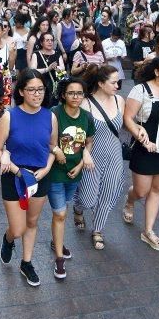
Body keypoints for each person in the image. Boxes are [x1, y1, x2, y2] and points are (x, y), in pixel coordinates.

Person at [0, 69, 57, 287]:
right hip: (15, 175)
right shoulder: (10, 116)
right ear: (21, 91)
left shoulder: (50, 116)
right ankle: (8, 239)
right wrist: (13, 166)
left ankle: (26, 262)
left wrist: (47, 168)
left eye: (40, 89)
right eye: (31, 90)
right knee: (18, 228)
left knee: (32, 221)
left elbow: (52, 148)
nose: (37, 94)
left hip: (40, 175)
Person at [123, 55, 159, 251]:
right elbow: (128, 118)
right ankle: (130, 200)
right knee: (141, 191)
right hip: (145, 146)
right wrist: (141, 136)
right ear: (156, 71)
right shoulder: (140, 90)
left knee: (157, 189)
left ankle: (148, 231)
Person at [73, 64, 126, 250]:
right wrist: (84, 153)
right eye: (114, 83)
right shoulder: (85, 103)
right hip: (91, 155)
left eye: (118, 82)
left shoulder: (120, 100)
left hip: (114, 154)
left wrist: (140, 129)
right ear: (101, 83)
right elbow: (77, 134)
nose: (118, 86)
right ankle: (78, 207)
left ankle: (98, 230)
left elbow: (126, 125)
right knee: (88, 198)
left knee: (109, 191)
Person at [48, 77, 95, 279]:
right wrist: (56, 150)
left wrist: (82, 162)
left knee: (64, 210)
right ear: (63, 95)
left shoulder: (86, 116)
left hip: (75, 172)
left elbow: (89, 142)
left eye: (79, 93)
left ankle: (55, 240)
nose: (75, 97)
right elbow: (47, 141)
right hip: (55, 173)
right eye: (71, 93)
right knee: (60, 214)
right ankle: (59, 257)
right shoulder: (54, 114)